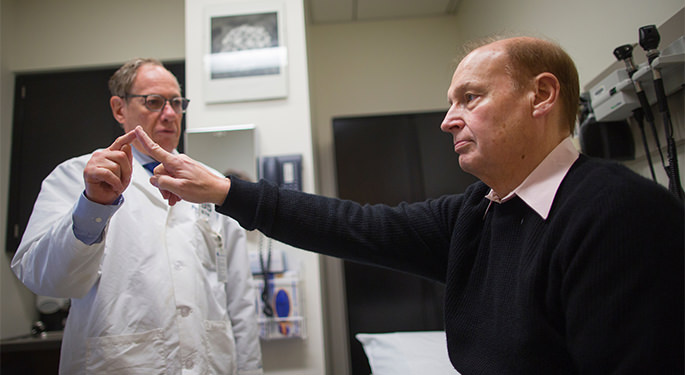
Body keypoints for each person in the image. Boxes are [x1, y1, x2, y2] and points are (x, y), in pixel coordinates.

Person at [135, 37, 683, 373]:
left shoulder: (618, 215)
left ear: (541, 96)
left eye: (471, 97)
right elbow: (354, 226)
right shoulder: (478, 215)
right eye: (451, 103)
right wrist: (230, 192)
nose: (448, 119)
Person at [11, 58, 263, 375]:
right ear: (119, 109)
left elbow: (239, 300)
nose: (170, 113)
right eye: (154, 102)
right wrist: (92, 207)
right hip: (120, 364)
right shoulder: (76, 177)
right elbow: (42, 278)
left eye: (176, 103)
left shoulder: (212, 184)